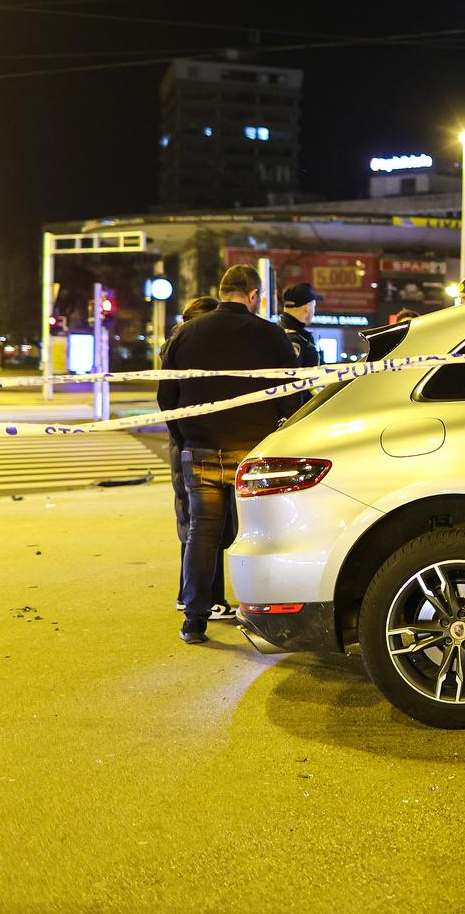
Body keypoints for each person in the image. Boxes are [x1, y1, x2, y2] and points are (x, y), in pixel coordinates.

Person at [157, 265, 299, 645]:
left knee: (201, 534)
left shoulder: (186, 333)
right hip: (253, 451)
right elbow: (292, 395)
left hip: (201, 450)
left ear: (222, 291)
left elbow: (166, 397)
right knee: (260, 532)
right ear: (254, 295)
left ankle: (194, 621)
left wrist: (185, 437)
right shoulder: (271, 335)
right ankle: (265, 617)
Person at [166, 296, 230, 619]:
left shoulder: (177, 345)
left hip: (184, 443)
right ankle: (206, 600)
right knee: (204, 528)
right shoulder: (183, 348)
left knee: (194, 526)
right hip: (190, 445)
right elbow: (170, 401)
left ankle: (188, 595)